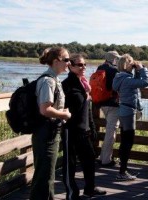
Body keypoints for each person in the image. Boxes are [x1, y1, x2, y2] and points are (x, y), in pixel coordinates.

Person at [61, 54, 106, 200]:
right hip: (71, 130)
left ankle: (90, 189)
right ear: (71, 66)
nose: (83, 67)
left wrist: (92, 127)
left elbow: (87, 110)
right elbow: (71, 107)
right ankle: (72, 194)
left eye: (85, 64)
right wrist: (85, 95)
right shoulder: (67, 84)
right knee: (71, 164)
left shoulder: (84, 84)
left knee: (90, 159)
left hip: (84, 130)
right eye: (80, 65)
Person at [30, 47, 72, 200]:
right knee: (44, 176)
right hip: (45, 133)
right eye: (66, 60)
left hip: (51, 132)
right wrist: (65, 114)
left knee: (48, 174)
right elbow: (45, 110)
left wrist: (61, 111)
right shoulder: (48, 81)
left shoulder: (54, 79)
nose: (69, 63)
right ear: (56, 61)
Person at [112, 54, 148, 181]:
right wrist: (142, 69)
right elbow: (145, 82)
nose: (134, 64)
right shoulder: (127, 79)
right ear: (127, 65)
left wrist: (137, 71)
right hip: (128, 112)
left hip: (124, 110)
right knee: (128, 141)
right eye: (131, 63)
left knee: (125, 141)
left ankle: (123, 169)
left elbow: (138, 83)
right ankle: (122, 172)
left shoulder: (121, 77)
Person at [97, 51, 121, 167]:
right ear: (114, 59)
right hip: (113, 104)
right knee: (111, 132)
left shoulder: (100, 68)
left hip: (101, 103)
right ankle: (106, 160)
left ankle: (103, 156)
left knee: (109, 130)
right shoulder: (115, 71)